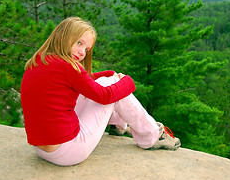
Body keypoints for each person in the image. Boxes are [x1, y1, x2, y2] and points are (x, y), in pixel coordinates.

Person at [20, 17, 181, 166]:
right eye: (78, 43)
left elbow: (83, 81)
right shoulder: (68, 67)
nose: (82, 52)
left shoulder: (41, 60)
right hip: (68, 151)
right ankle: (152, 136)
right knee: (112, 87)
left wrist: (107, 74)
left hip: (42, 149)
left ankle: (118, 125)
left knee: (108, 81)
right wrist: (127, 80)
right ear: (63, 36)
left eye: (87, 49)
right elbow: (105, 97)